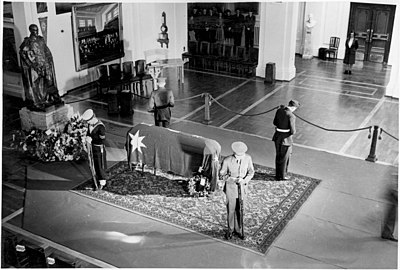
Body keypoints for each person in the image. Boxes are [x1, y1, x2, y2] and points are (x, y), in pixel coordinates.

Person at [19, 24, 62, 111]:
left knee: (50, 82)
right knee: (36, 86)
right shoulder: (28, 42)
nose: (36, 32)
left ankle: (55, 98)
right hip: (36, 67)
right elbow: (23, 53)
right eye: (34, 30)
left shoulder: (40, 39)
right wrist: (32, 65)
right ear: (31, 31)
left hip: (45, 65)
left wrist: (49, 61)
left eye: (37, 30)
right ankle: (37, 103)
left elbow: (46, 50)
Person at [219, 141, 254, 240]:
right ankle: (230, 230)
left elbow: (251, 172)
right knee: (231, 209)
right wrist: (232, 179)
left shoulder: (248, 158)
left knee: (241, 209)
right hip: (231, 189)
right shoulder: (227, 160)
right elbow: (222, 174)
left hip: (242, 189)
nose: (241, 156)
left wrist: (244, 180)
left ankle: (239, 230)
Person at [272, 100, 300, 181]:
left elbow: (274, 122)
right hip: (286, 140)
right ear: (294, 107)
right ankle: (282, 176)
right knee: (284, 158)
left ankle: (278, 173)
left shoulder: (279, 110)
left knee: (278, 156)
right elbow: (293, 131)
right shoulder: (291, 116)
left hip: (277, 137)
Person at [82, 109, 107, 190]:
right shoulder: (90, 125)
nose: (87, 123)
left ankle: (102, 182)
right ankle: (96, 179)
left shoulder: (101, 127)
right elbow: (89, 133)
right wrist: (86, 139)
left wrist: (91, 139)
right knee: (93, 164)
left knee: (100, 165)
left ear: (92, 118)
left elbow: (102, 140)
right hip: (92, 147)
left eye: (88, 121)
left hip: (99, 148)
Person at [381, 168, 398, 242]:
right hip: (394, 189)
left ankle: (387, 232)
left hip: (394, 189)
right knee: (392, 211)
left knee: (392, 211)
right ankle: (387, 233)